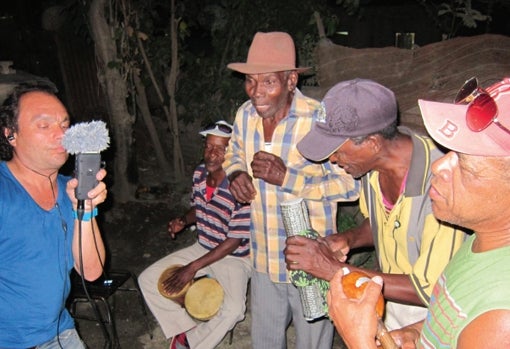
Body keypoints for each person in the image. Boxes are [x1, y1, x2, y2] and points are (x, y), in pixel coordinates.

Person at [327, 76, 510, 348]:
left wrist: (359, 341)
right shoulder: (479, 245)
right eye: (450, 153)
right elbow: (453, 316)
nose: (439, 166)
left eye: (465, 162)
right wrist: (419, 334)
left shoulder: (501, 315)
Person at [287, 78, 467, 330]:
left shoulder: (440, 184)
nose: (332, 159)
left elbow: (429, 290)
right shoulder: (370, 169)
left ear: (372, 143)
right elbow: (379, 222)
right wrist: (348, 238)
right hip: (388, 297)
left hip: (435, 318)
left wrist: (334, 270)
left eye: (337, 150)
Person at [224, 31, 359, 349]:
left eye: (268, 82)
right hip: (264, 261)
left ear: (291, 80)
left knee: (313, 345)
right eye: (250, 82)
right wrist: (235, 173)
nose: (256, 93)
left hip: (311, 264)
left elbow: (350, 186)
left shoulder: (319, 120)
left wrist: (289, 178)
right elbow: (233, 152)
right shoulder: (245, 115)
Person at [0, 84, 108, 348]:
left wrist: (85, 210)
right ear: (10, 134)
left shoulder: (68, 188)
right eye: (44, 125)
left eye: (64, 124)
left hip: (59, 332)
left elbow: (91, 272)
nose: (61, 134)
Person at [138, 120, 252, 349]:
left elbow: (234, 241)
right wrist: (182, 220)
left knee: (234, 310)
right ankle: (185, 330)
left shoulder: (241, 185)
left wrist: (192, 268)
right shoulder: (200, 173)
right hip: (203, 246)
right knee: (148, 280)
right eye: (209, 147)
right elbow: (199, 208)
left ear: (233, 153)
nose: (212, 154)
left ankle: (191, 343)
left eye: (221, 149)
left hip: (234, 258)